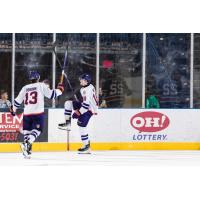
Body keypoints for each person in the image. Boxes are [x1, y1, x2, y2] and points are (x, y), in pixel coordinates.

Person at [10, 71, 64, 158]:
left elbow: (17, 101)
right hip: (37, 113)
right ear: (38, 78)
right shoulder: (41, 85)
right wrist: (60, 90)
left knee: (27, 132)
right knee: (37, 130)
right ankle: (27, 144)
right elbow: (52, 95)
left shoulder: (25, 87)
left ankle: (27, 151)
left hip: (27, 113)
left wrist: (13, 110)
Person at [58, 73, 98, 154]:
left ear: (86, 81)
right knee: (68, 103)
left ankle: (86, 146)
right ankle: (68, 123)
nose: (80, 80)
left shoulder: (88, 90)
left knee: (81, 126)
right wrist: (77, 107)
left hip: (90, 110)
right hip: (86, 107)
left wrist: (78, 113)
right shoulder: (86, 88)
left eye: (82, 80)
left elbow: (86, 105)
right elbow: (84, 101)